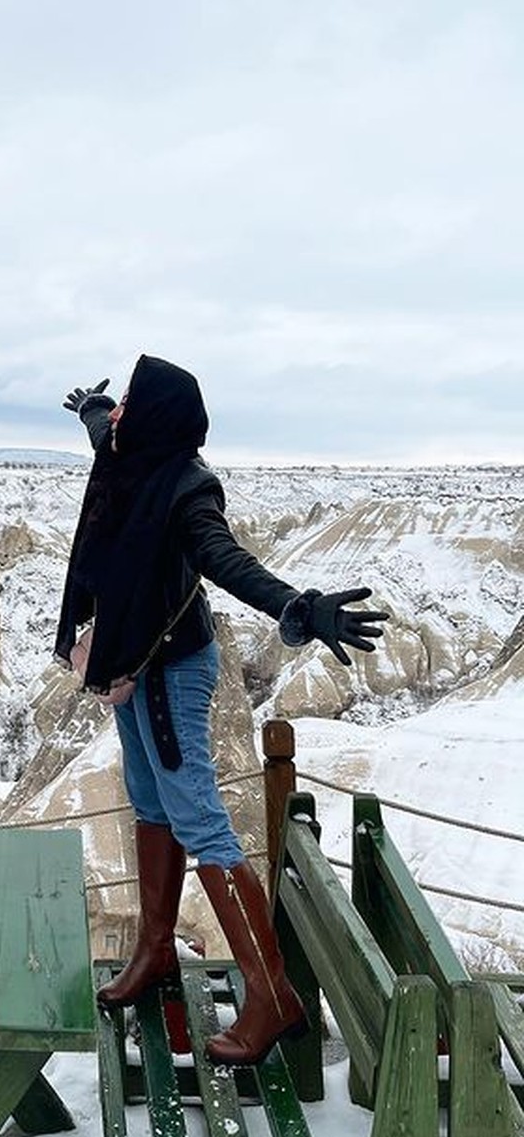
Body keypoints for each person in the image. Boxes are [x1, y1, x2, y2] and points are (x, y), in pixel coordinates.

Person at [56, 354, 387, 1066]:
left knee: (199, 817)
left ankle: (272, 995)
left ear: (157, 421)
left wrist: (296, 607)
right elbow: (101, 431)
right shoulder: (129, 450)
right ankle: (154, 953)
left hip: (173, 667)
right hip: (131, 658)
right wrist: (91, 408)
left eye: (128, 404)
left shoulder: (187, 487)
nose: (118, 415)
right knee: (149, 802)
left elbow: (223, 558)